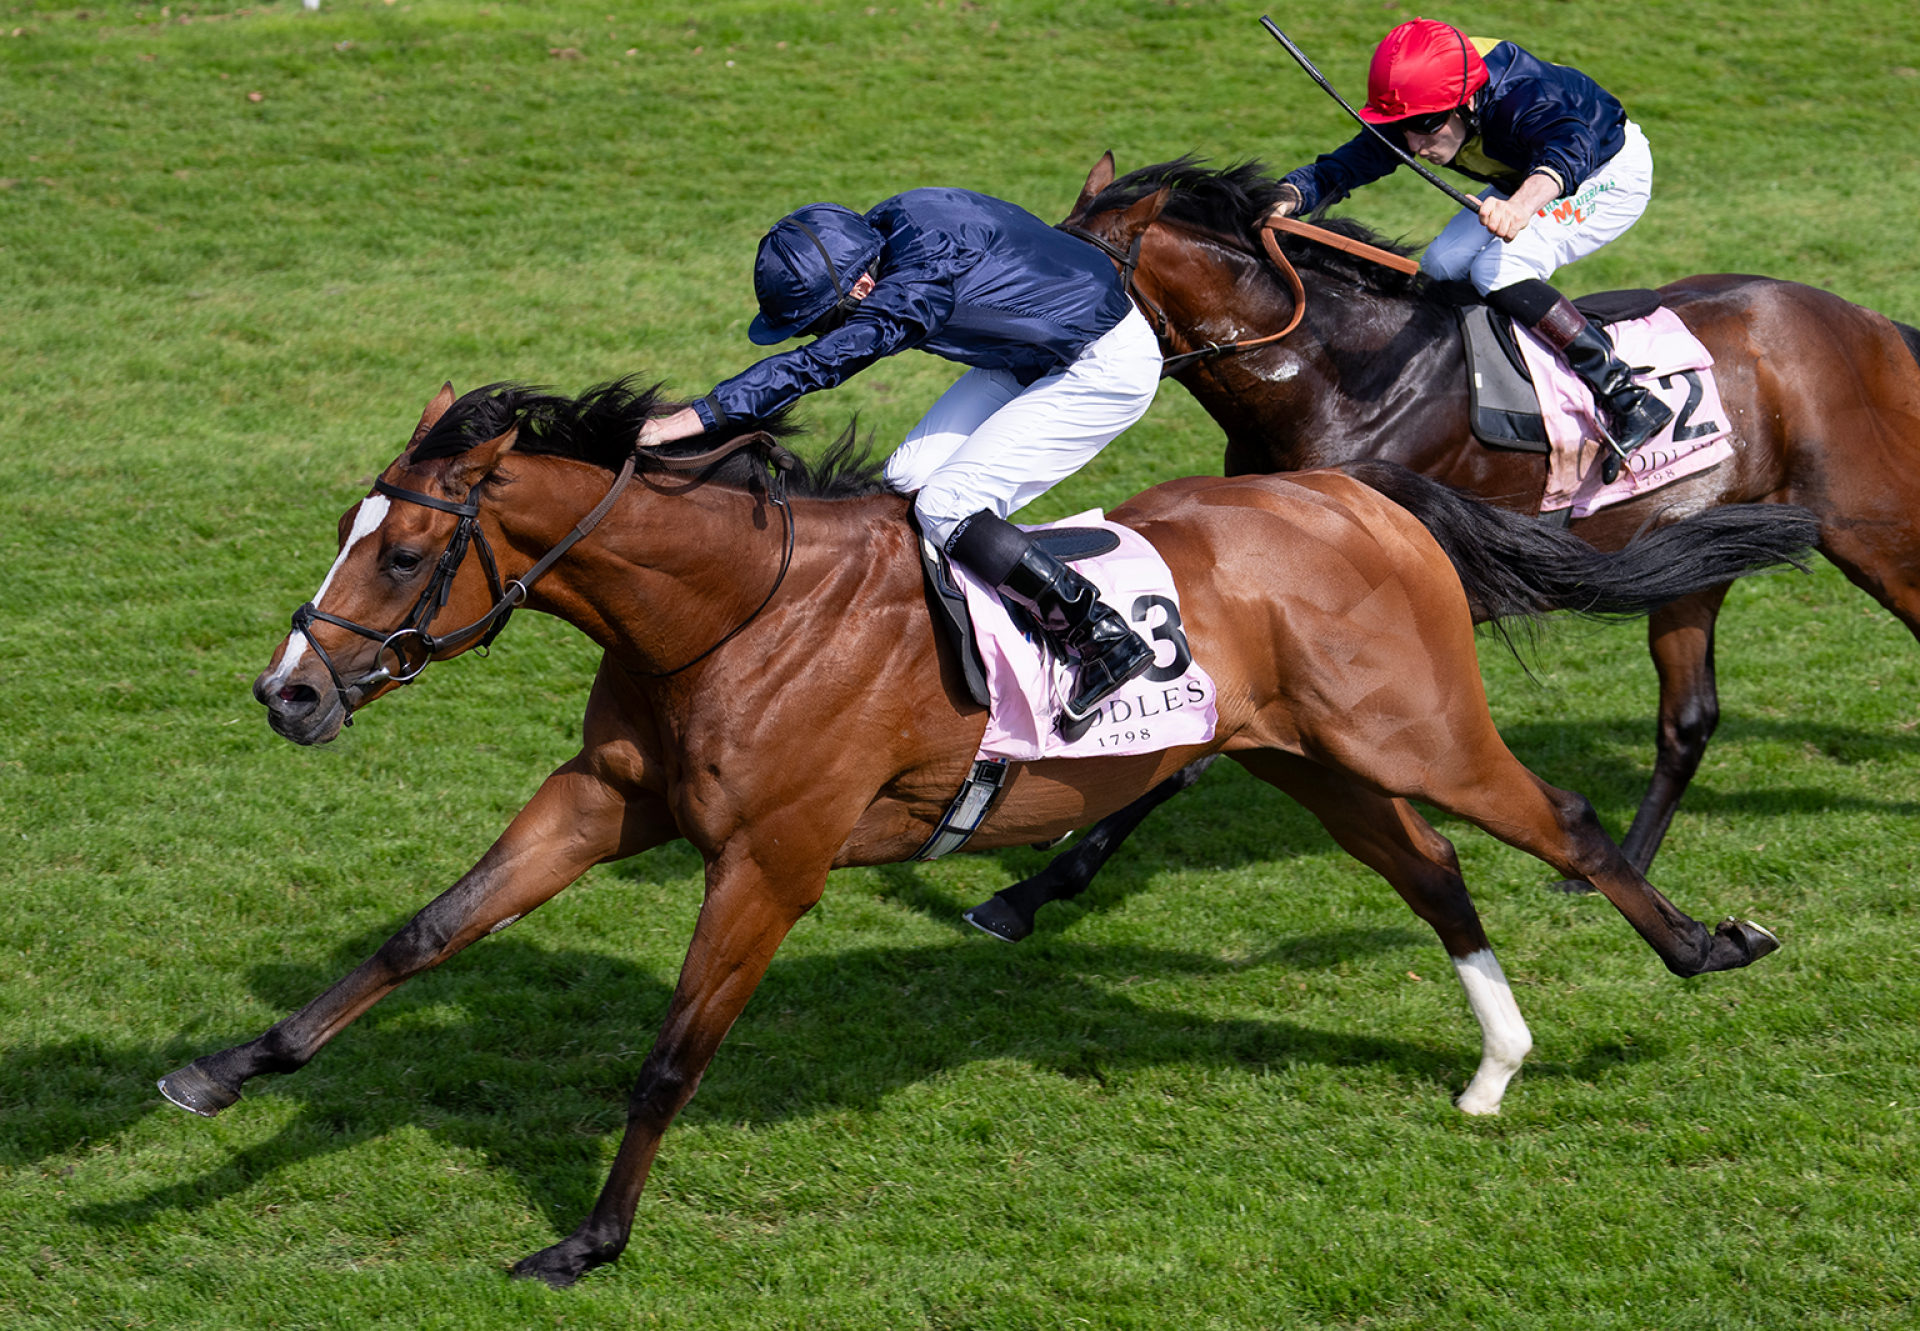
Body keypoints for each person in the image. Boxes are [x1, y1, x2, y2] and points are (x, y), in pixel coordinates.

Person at [637, 189, 1163, 740]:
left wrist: (686, 420)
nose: (824, 332)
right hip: (1030, 351)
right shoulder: (888, 224)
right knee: (904, 483)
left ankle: (1101, 637)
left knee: (947, 505)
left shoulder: (916, 290)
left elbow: (814, 367)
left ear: (862, 286)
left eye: (825, 320)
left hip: (1102, 366)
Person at [1266, 18, 1670, 479]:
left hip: (1606, 172)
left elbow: (1568, 146)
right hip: (1523, 176)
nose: (1414, 145)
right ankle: (1469, 386)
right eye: (1404, 128)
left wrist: (1519, 207)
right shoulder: (1427, 101)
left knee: (1500, 269)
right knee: (1442, 264)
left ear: (1468, 103)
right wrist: (1287, 196)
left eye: (1425, 127)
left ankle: (1627, 396)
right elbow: (1349, 163)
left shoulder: (1521, 93)